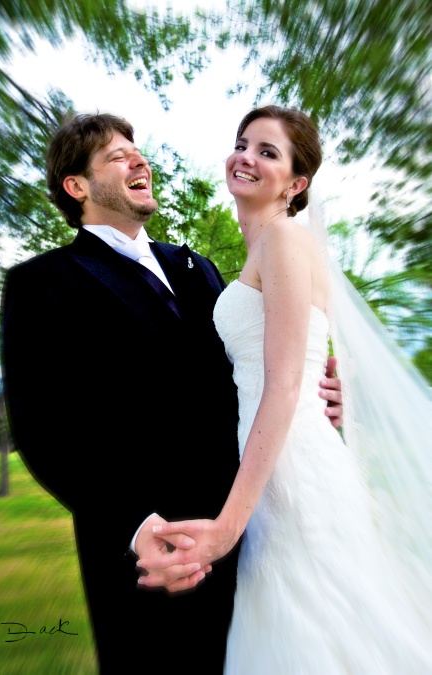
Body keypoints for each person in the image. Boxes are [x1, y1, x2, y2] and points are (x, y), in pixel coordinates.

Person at [0, 112, 344, 673]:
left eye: (137, 149)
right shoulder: (42, 283)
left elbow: (256, 369)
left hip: (250, 530)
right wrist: (136, 526)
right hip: (152, 552)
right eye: (116, 156)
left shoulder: (199, 269)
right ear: (77, 186)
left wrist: (323, 387)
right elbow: (44, 431)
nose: (139, 159)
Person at [137, 105, 432, 673]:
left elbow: (284, 383)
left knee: (319, 626)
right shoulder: (260, 250)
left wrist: (227, 527)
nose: (245, 157)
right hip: (269, 463)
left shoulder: (284, 241)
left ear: (297, 184)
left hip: (292, 467)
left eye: (267, 151)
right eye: (242, 143)